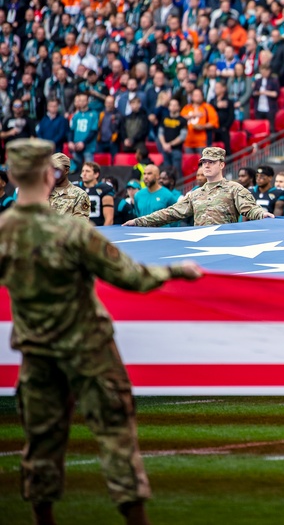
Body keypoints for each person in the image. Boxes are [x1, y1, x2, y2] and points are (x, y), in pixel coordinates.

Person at [0, 138, 202, 525]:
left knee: (41, 442)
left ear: (11, 176)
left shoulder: (4, 232)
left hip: (36, 352)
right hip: (88, 348)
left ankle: (42, 518)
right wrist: (176, 270)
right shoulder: (72, 231)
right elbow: (131, 277)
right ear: (49, 175)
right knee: (115, 435)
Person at [123, 148, 273, 226]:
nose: (206, 165)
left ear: (221, 165)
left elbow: (250, 208)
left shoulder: (234, 188)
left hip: (225, 245)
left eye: (211, 162)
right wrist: (139, 221)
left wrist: (262, 214)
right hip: (200, 246)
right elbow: (171, 213)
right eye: (204, 162)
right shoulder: (195, 193)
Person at [48, 152, 89, 217]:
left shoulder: (79, 195)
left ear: (66, 170)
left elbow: (79, 224)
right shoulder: (43, 192)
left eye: (56, 170)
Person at [77, 160, 115, 226]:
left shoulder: (105, 189)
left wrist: (105, 232)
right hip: (79, 229)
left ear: (96, 174)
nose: (84, 174)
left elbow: (109, 218)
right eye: (83, 171)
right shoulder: (75, 188)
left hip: (98, 228)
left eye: (87, 171)